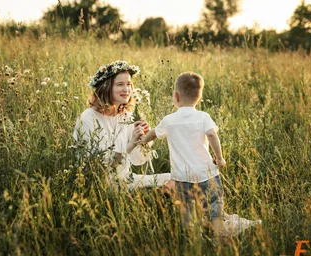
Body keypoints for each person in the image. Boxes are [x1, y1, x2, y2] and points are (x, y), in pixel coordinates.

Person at [137, 72, 261, 235]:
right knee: (215, 207)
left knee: (187, 211)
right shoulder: (203, 117)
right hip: (207, 174)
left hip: (182, 178)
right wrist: (220, 158)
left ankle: (192, 240)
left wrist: (143, 140)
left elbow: (153, 133)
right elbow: (212, 135)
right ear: (199, 98)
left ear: (176, 96)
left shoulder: (169, 120)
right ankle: (218, 238)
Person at [73, 60, 171, 189]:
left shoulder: (127, 117)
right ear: (106, 87)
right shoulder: (88, 118)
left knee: (173, 178)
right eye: (120, 84)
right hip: (101, 184)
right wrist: (130, 145)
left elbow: (137, 161)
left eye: (129, 84)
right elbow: (100, 167)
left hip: (126, 179)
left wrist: (143, 140)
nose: (126, 89)